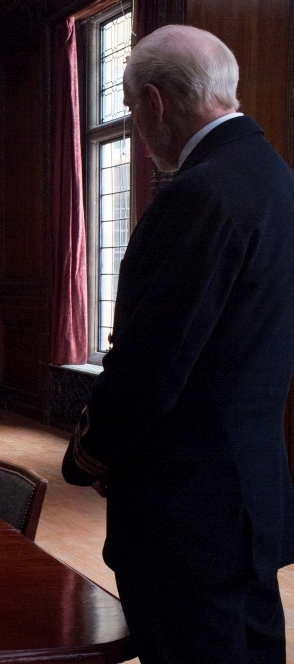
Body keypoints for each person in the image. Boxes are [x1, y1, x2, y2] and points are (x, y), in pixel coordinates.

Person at [62, 25, 294, 663]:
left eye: (131, 107)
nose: (137, 127)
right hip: (249, 491)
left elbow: (153, 367)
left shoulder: (199, 193)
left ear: (155, 102)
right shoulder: (276, 179)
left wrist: (89, 455)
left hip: (188, 511)